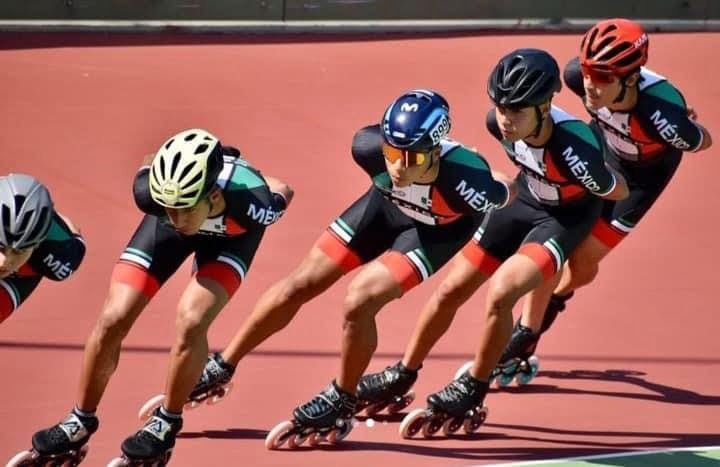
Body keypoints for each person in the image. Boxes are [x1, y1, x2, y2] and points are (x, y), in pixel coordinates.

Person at [177, 89, 514, 449]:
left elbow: (504, 191)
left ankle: (342, 396)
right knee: (299, 284)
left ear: (435, 150)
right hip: (384, 209)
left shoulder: (466, 181)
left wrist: (490, 176)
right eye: (392, 153)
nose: (399, 167)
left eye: (412, 157)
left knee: (360, 299)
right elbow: (391, 160)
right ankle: (224, 364)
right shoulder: (367, 148)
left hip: (435, 231)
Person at [355, 49, 630, 438]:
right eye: (501, 108)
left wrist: (599, 182)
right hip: (525, 200)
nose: (505, 119)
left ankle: (473, 387)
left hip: (564, 219)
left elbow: (618, 191)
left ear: (545, 106)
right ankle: (403, 372)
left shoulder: (576, 145)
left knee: (501, 293)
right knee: (451, 289)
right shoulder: (495, 125)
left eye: (517, 111)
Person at [9, 129, 293, 467]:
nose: (177, 218)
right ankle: (79, 420)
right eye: (169, 208)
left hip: (230, 241)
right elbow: (153, 166)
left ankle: (166, 422)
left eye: (184, 209)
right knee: (113, 317)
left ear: (214, 195)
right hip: (164, 235)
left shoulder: (255, 204)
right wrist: (174, 201)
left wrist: (244, 170)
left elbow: (283, 189)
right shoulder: (149, 195)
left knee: (192, 319)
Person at [499, 18, 713, 373]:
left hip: (642, 178)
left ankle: (558, 298)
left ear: (631, 78)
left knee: (582, 262)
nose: (590, 85)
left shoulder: (660, 114)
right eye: (587, 72)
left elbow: (702, 141)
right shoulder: (575, 78)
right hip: (600, 153)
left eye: (603, 77)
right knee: (559, 241)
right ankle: (526, 331)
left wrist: (685, 125)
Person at [0, 173, 85, 324]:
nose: (4, 262)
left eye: (19, 251)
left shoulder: (60, 257)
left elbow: (76, 235)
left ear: (36, 245)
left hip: (21, 275)